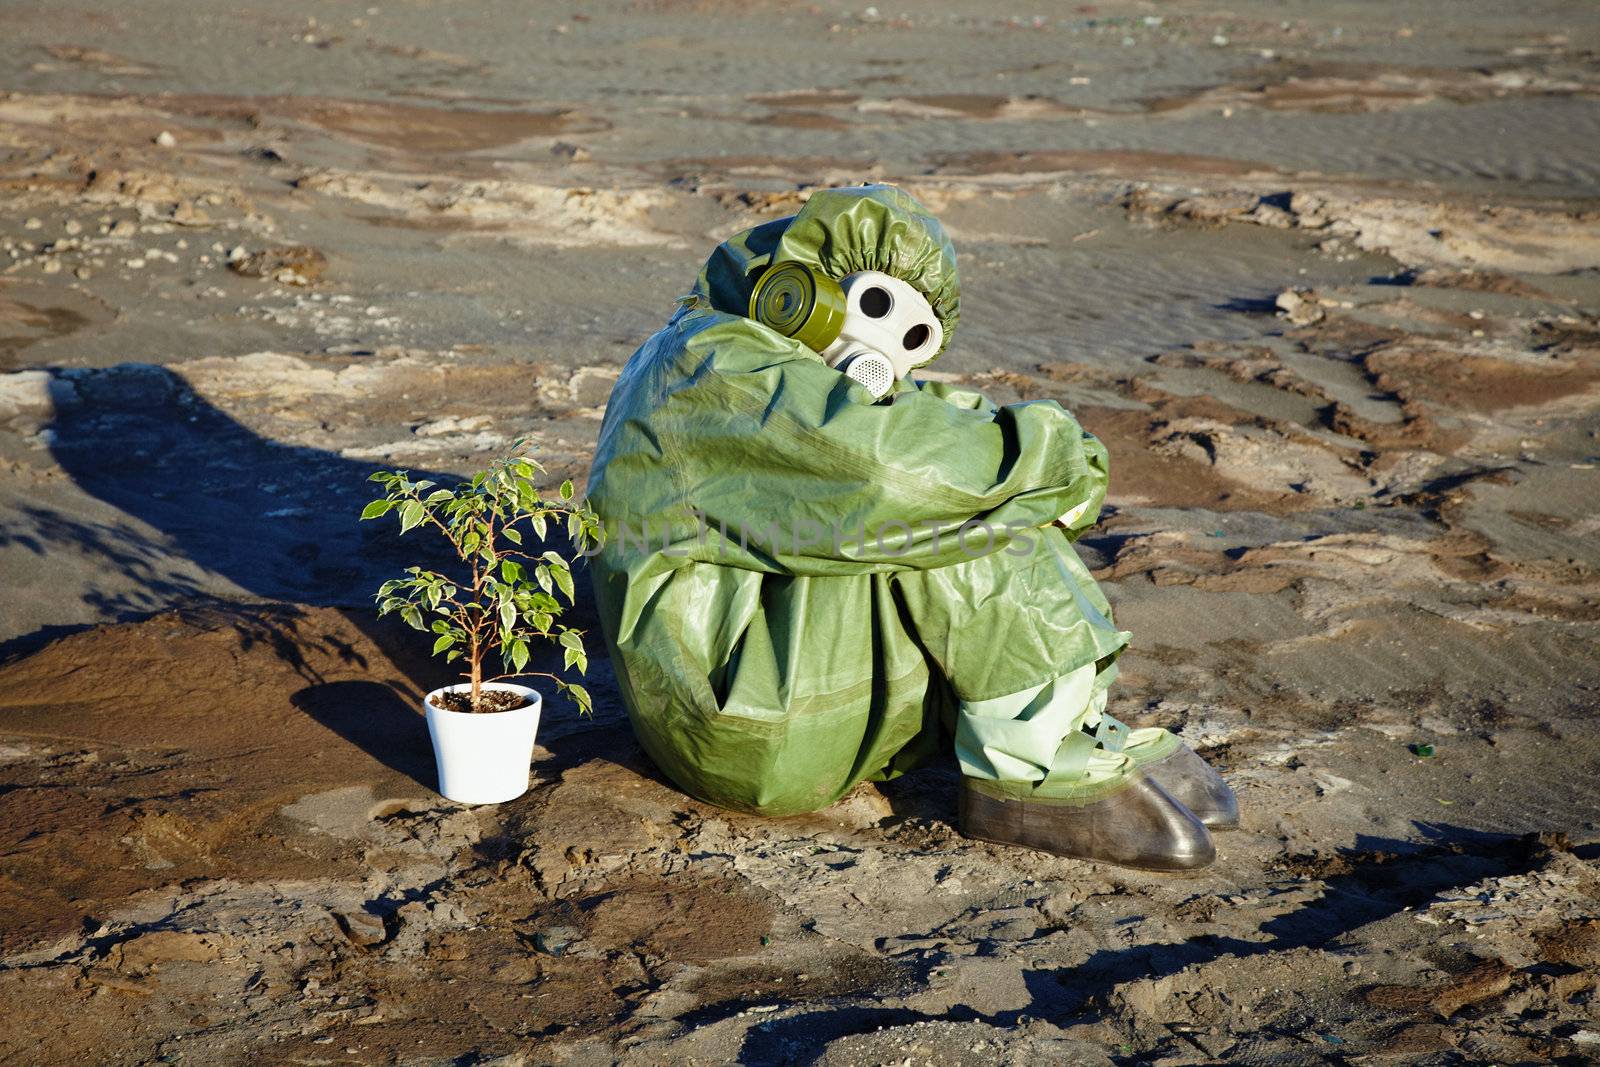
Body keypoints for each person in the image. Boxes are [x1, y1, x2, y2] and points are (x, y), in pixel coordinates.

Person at [585, 184, 1236, 871]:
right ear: (798, 287)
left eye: (914, 336)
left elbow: (931, 421)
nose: (887, 346)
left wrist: (1037, 461)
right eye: (875, 305)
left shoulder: (765, 359)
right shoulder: (713, 362)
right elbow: (885, 471)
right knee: (948, 507)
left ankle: (1062, 722)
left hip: (811, 698)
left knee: (971, 468)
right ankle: (1033, 762)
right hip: (748, 720)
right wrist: (1061, 462)